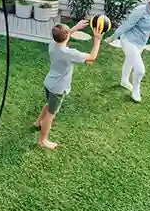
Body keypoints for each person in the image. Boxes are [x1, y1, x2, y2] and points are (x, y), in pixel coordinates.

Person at [33, 19, 102, 150]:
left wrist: (76, 27)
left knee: (48, 104)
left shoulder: (52, 44)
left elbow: (63, 36)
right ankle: (43, 140)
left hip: (49, 83)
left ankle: (38, 122)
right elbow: (92, 57)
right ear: (67, 36)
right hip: (58, 89)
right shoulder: (70, 53)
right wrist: (97, 39)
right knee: (51, 114)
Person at [106, 0, 150, 103]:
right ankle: (136, 90)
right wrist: (113, 37)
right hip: (129, 40)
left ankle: (124, 81)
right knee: (140, 70)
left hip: (141, 43)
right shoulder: (141, 10)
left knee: (130, 61)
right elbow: (127, 24)